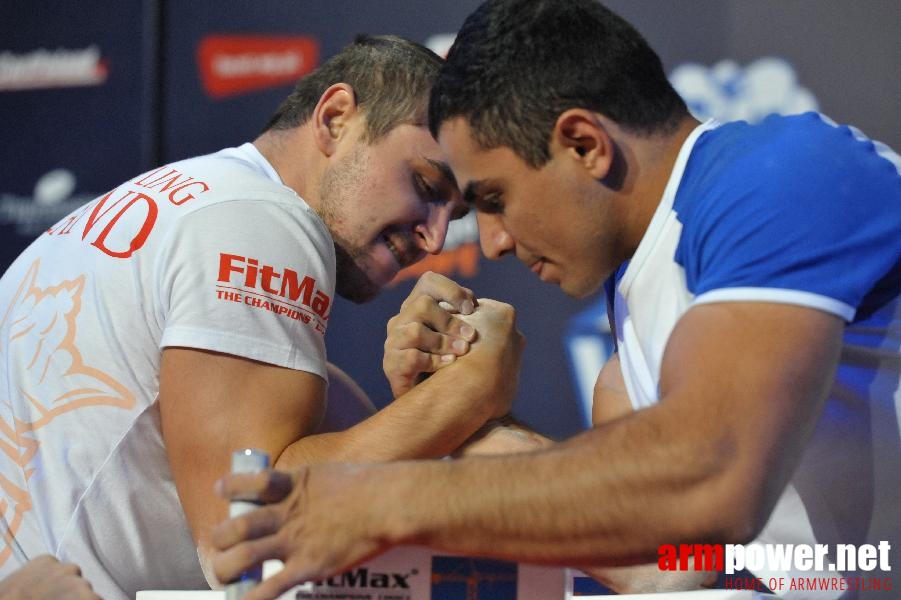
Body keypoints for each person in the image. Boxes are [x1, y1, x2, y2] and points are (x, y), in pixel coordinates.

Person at [209, 1, 901, 599]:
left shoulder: (777, 178)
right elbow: (671, 567)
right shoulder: (639, 306)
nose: (493, 241)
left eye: (492, 199)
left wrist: (377, 500)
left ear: (583, 144)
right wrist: (465, 421)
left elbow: (711, 477)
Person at [0, 34, 525, 600]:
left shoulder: (195, 201)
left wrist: (434, 401)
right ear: (336, 117)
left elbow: (361, 472)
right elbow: (242, 536)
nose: (437, 235)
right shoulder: (262, 220)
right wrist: (468, 391)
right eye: (425, 185)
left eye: (457, 212)